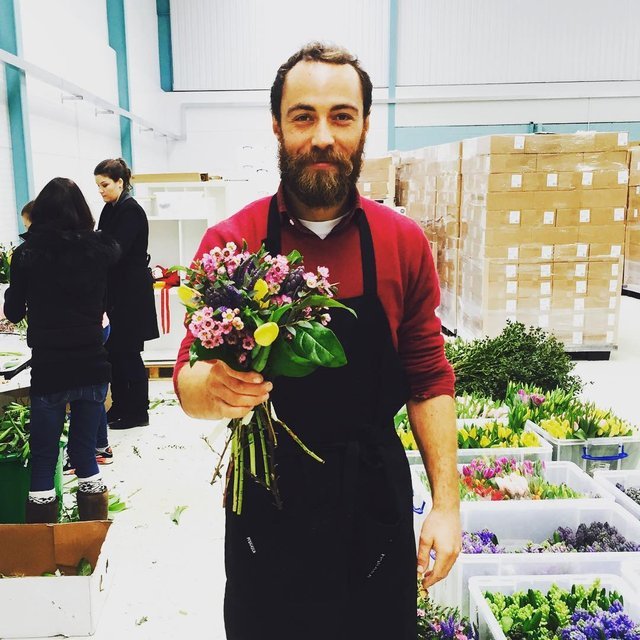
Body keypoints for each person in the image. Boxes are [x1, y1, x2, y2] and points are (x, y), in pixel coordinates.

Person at [173, 43, 460, 639]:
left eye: (341, 116)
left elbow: (429, 379)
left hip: (373, 500)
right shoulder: (232, 243)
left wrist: (447, 504)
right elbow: (187, 379)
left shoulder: (402, 242)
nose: (323, 136)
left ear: (365, 126)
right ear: (277, 127)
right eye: (304, 117)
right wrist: (216, 388)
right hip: (267, 503)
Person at [3, 177, 119, 522]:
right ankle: (90, 535)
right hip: (92, 363)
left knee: (44, 456)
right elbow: (108, 304)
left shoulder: (27, 254)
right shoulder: (100, 251)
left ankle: (43, 540)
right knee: (84, 453)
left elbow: (13, 312)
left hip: (50, 366)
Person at [94, 158, 159, 429]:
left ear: (120, 182)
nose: (101, 191)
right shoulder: (110, 209)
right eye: (98, 186)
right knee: (114, 352)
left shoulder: (131, 211)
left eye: (105, 185)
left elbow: (114, 249)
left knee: (129, 353)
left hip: (131, 294)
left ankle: (138, 411)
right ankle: (120, 406)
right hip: (115, 292)